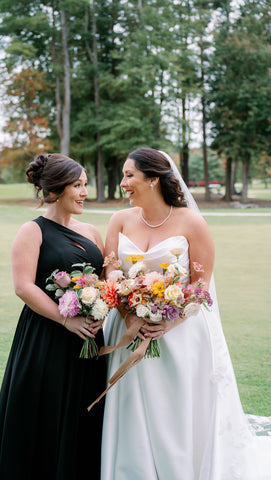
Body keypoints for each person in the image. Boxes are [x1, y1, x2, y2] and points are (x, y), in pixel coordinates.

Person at [101, 147, 271, 480]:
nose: (123, 183)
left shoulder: (192, 222)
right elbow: (110, 271)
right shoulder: (119, 220)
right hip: (126, 329)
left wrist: (166, 321)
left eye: (129, 175)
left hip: (181, 336)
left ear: (152, 179)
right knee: (131, 408)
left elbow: (201, 286)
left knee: (175, 412)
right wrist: (130, 314)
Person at [0, 153, 107, 480]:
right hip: (46, 338)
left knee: (84, 414)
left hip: (89, 341)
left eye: (85, 185)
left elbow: (106, 280)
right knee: (42, 413)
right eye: (77, 185)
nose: (84, 193)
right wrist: (66, 320)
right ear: (55, 190)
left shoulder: (92, 231)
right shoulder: (32, 230)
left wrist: (102, 311)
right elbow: (23, 287)